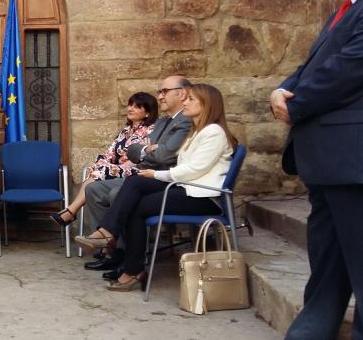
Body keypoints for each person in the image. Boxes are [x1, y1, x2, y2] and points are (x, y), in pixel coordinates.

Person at [271, 0, 363, 339]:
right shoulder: (344, 10)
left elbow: (347, 71)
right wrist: (283, 88)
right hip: (327, 162)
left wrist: (296, 106)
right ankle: (313, 328)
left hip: (353, 161)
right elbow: (314, 64)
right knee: (327, 258)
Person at [75, 84, 235, 292]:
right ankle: (125, 257)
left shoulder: (213, 132)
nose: (185, 102)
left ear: (207, 105)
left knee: (137, 189)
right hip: (185, 189)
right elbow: (161, 155)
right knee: (136, 190)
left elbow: (192, 170)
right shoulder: (197, 132)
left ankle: (116, 245)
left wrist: (156, 174)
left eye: (191, 100)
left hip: (202, 198)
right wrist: (151, 162)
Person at [82, 76, 192, 275]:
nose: (160, 96)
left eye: (164, 91)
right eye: (160, 92)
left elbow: (164, 156)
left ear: (181, 93)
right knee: (93, 189)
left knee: (118, 193)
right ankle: (110, 250)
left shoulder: (185, 122)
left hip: (159, 177)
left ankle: (125, 255)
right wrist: (148, 150)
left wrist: (147, 150)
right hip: (141, 172)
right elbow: (134, 151)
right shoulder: (163, 121)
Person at [51, 92, 157, 227]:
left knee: (99, 173)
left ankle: (71, 211)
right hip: (117, 170)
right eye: (130, 105)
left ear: (147, 113)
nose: (130, 108)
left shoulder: (150, 131)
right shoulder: (125, 130)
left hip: (135, 170)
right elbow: (110, 153)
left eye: (137, 107)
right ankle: (79, 218)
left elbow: (141, 158)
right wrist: (103, 165)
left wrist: (114, 169)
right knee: (94, 169)